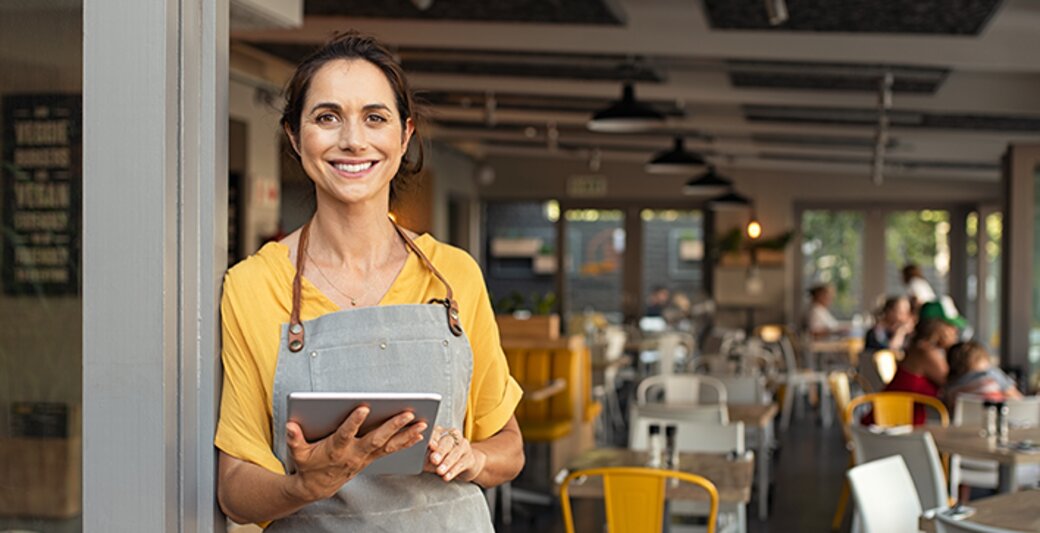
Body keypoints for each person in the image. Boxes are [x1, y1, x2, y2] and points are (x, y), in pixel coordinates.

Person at [214, 32, 523, 531]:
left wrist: (472, 458)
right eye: (327, 117)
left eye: (374, 118)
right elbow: (234, 489)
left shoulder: (453, 276)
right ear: (295, 136)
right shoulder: (254, 285)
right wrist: (304, 485)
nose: (353, 140)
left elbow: (508, 447)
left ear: (404, 136)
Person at [874, 316, 958, 425]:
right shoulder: (926, 352)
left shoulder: (918, 348)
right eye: (951, 327)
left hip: (896, 421)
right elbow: (953, 382)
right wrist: (952, 348)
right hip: (890, 425)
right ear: (940, 328)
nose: (955, 331)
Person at [944, 341, 1022, 409]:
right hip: (994, 421)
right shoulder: (991, 374)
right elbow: (1018, 400)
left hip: (964, 425)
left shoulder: (950, 387)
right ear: (981, 359)